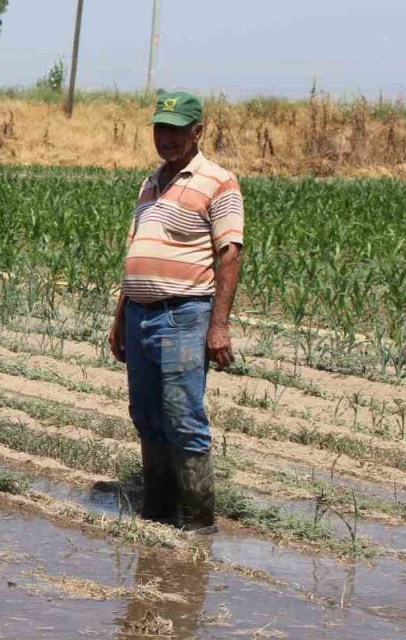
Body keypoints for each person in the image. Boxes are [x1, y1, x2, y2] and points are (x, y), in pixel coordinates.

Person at [108, 91, 244, 534]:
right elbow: (137, 251)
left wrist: (218, 326)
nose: (165, 137)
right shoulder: (150, 183)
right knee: (146, 415)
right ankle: (159, 513)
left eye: (176, 129)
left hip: (183, 315)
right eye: (160, 128)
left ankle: (199, 523)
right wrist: (120, 317)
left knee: (183, 417)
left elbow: (229, 255)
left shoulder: (218, 181)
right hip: (139, 315)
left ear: (197, 131)